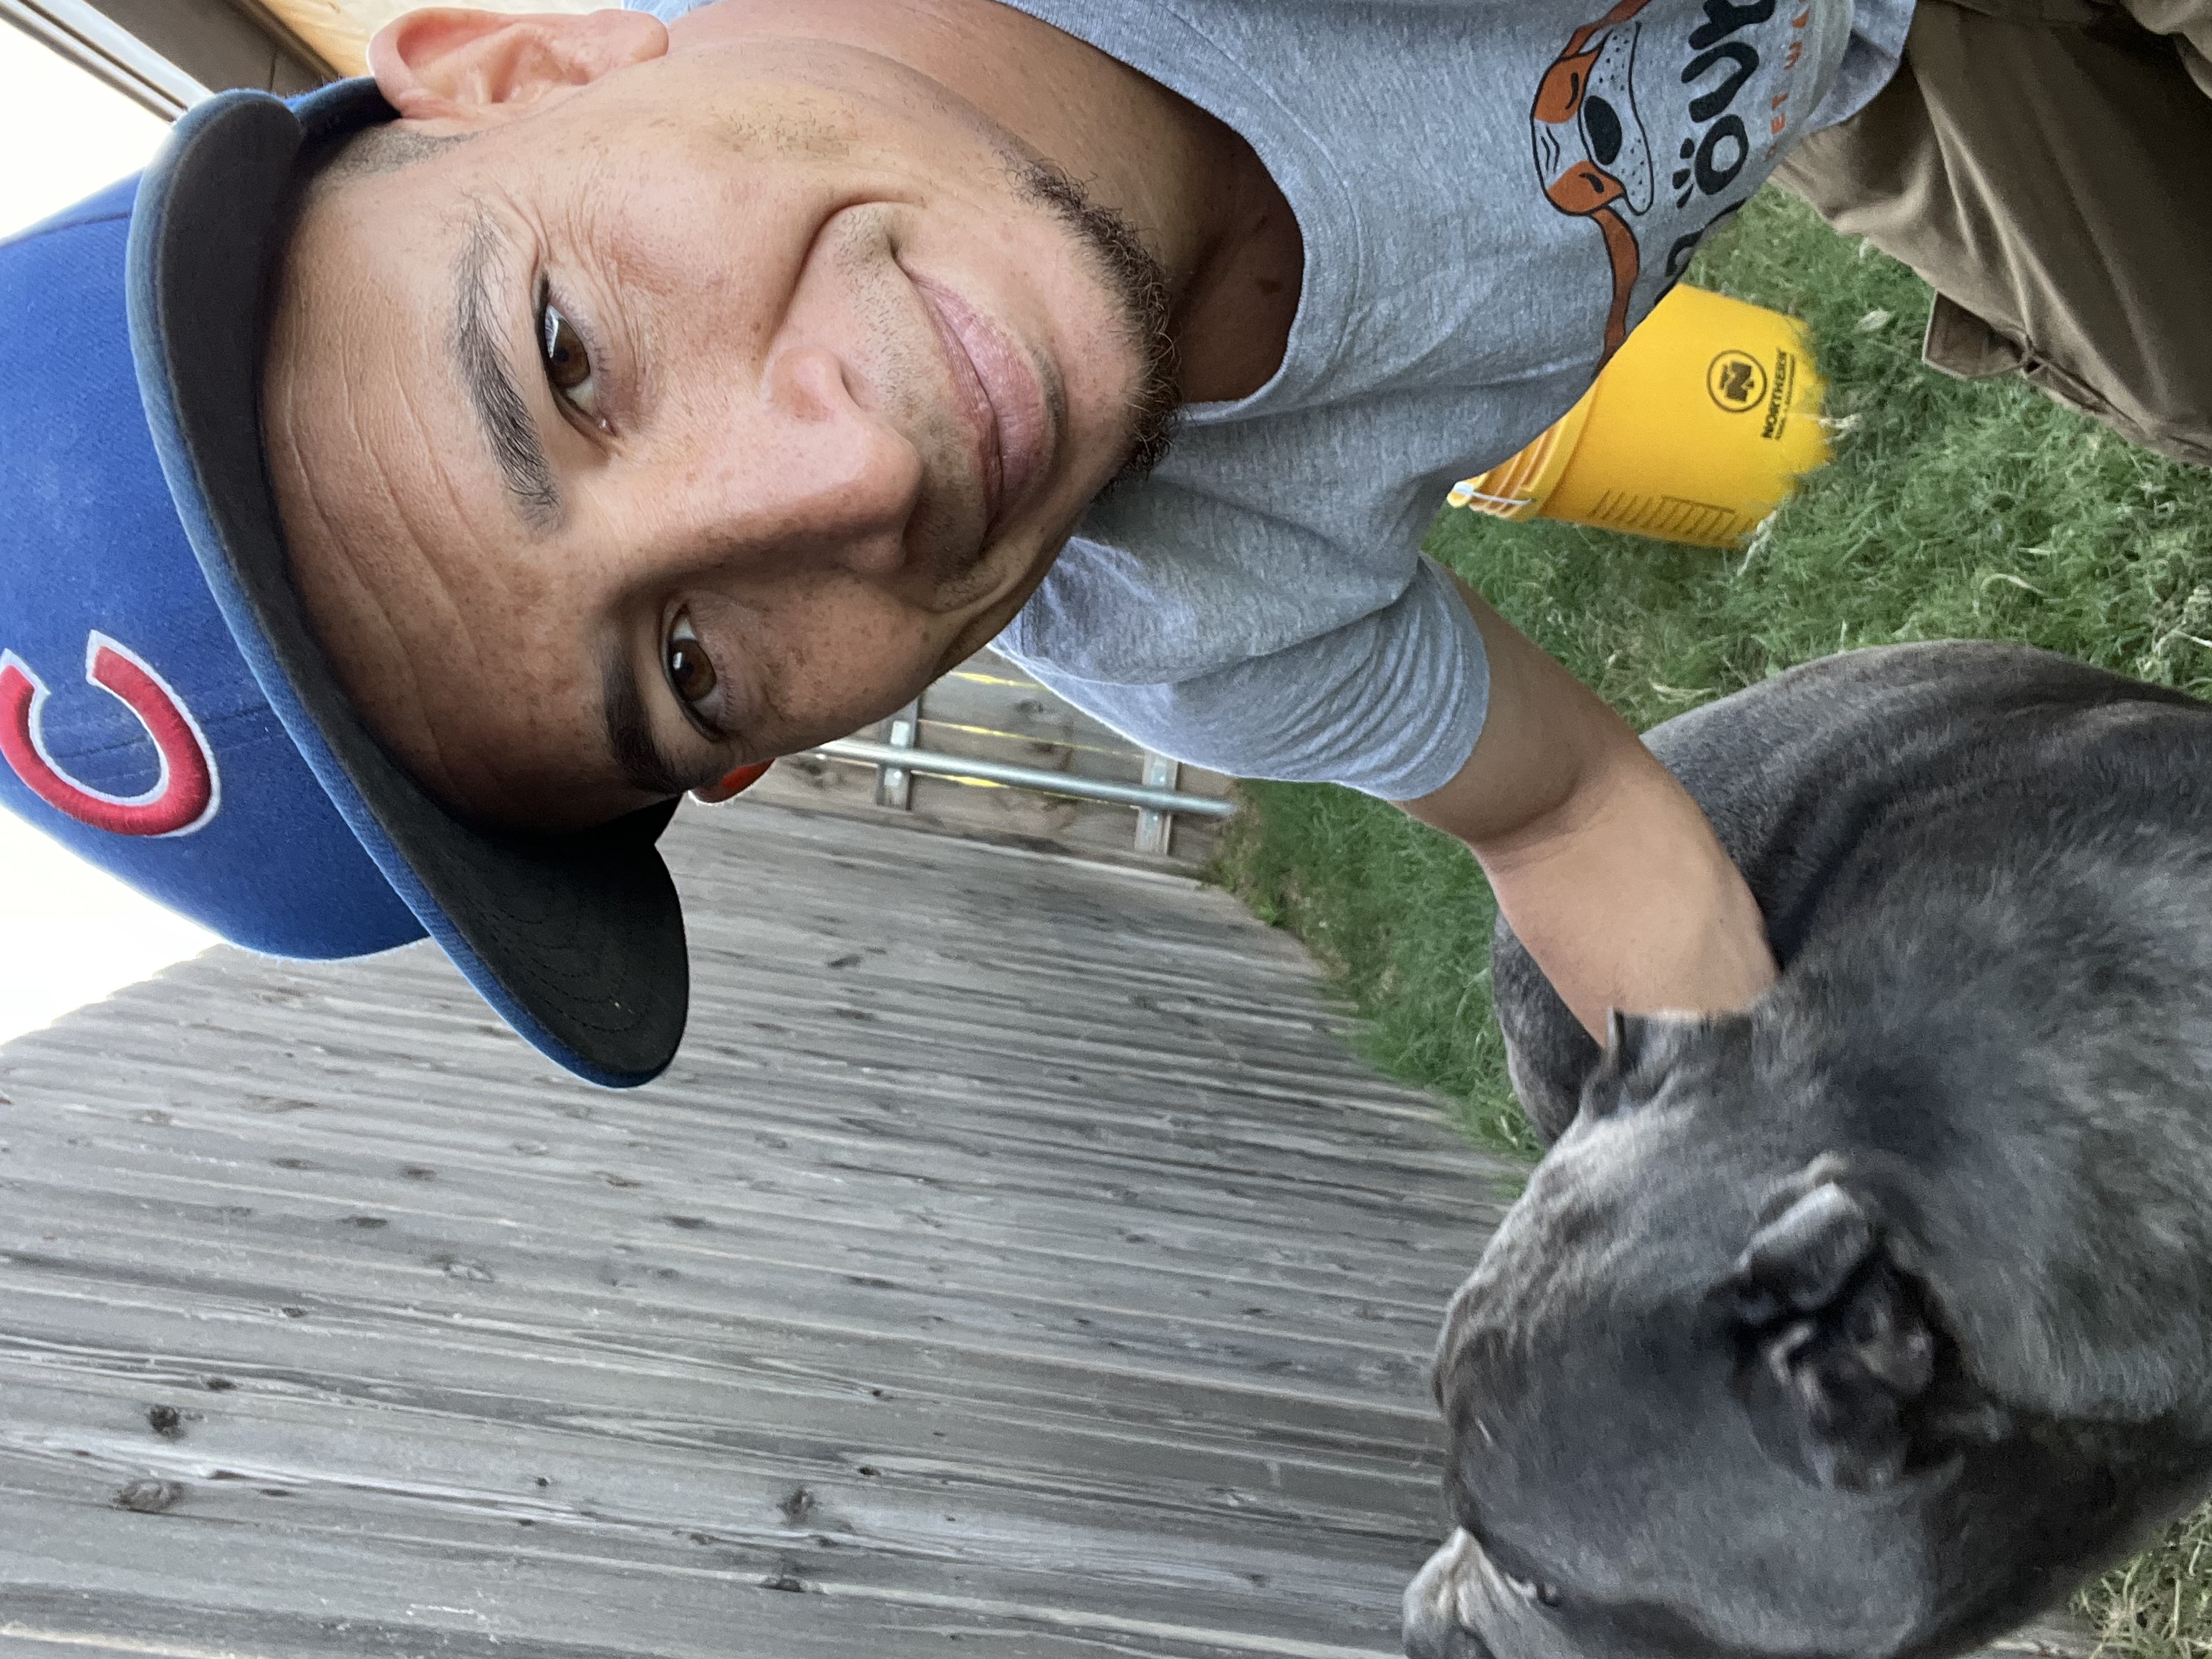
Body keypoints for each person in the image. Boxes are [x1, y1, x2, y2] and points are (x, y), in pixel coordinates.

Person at [0, 0, 2196, 1087]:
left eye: (567, 355)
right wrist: (1764, 1214)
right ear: (750, 763)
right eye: (687, 669)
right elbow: (1572, 815)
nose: (846, 483)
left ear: (515, 57)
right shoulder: (1194, 624)